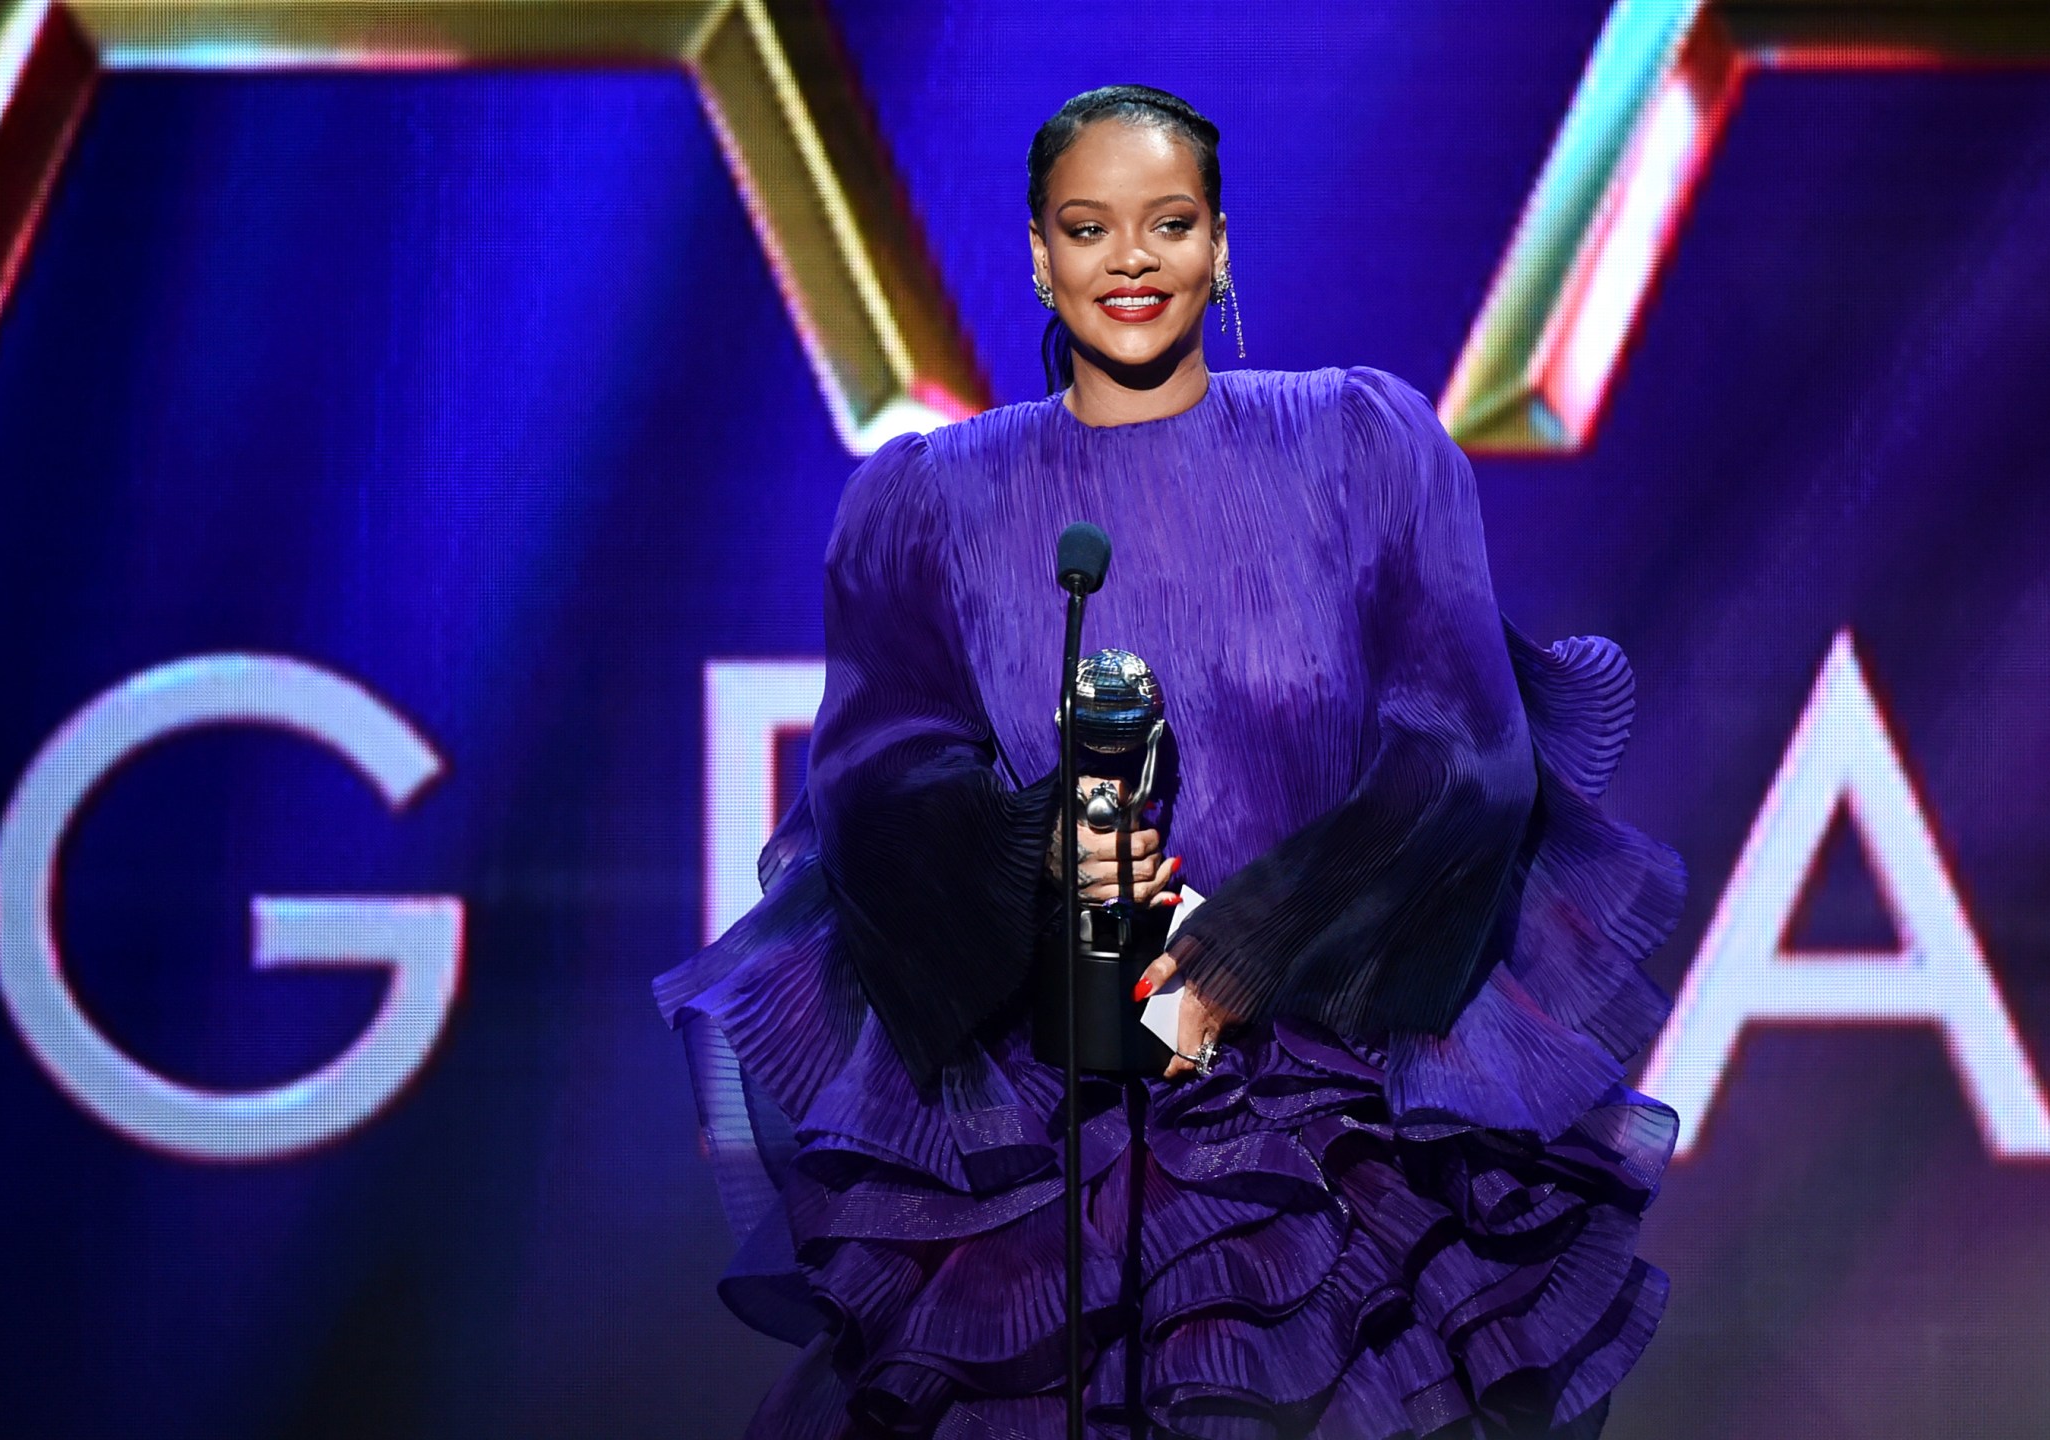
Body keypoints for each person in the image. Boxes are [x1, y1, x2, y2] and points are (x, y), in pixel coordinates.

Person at [655, 84, 1684, 1440]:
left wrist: (1238, 963)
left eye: (1168, 224)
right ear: (1036, 252)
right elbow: (875, 785)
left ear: (1220, 247)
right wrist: (1037, 854)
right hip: (1048, 1136)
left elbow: (1466, 753)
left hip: (1337, 1120)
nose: (1129, 260)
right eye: (1089, 228)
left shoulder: (1361, 449)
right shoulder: (928, 504)